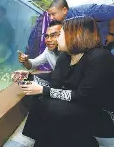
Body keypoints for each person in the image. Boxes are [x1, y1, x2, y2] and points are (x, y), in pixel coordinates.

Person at [12, 16, 114, 147]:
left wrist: (43, 90)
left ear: (75, 35)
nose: (56, 39)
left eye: (60, 34)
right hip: (79, 107)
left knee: (56, 108)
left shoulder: (100, 57)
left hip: (104, 116)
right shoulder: (64, 57)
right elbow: (55, 85)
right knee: (43, 101)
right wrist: (29, 77)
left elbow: (83, 96)